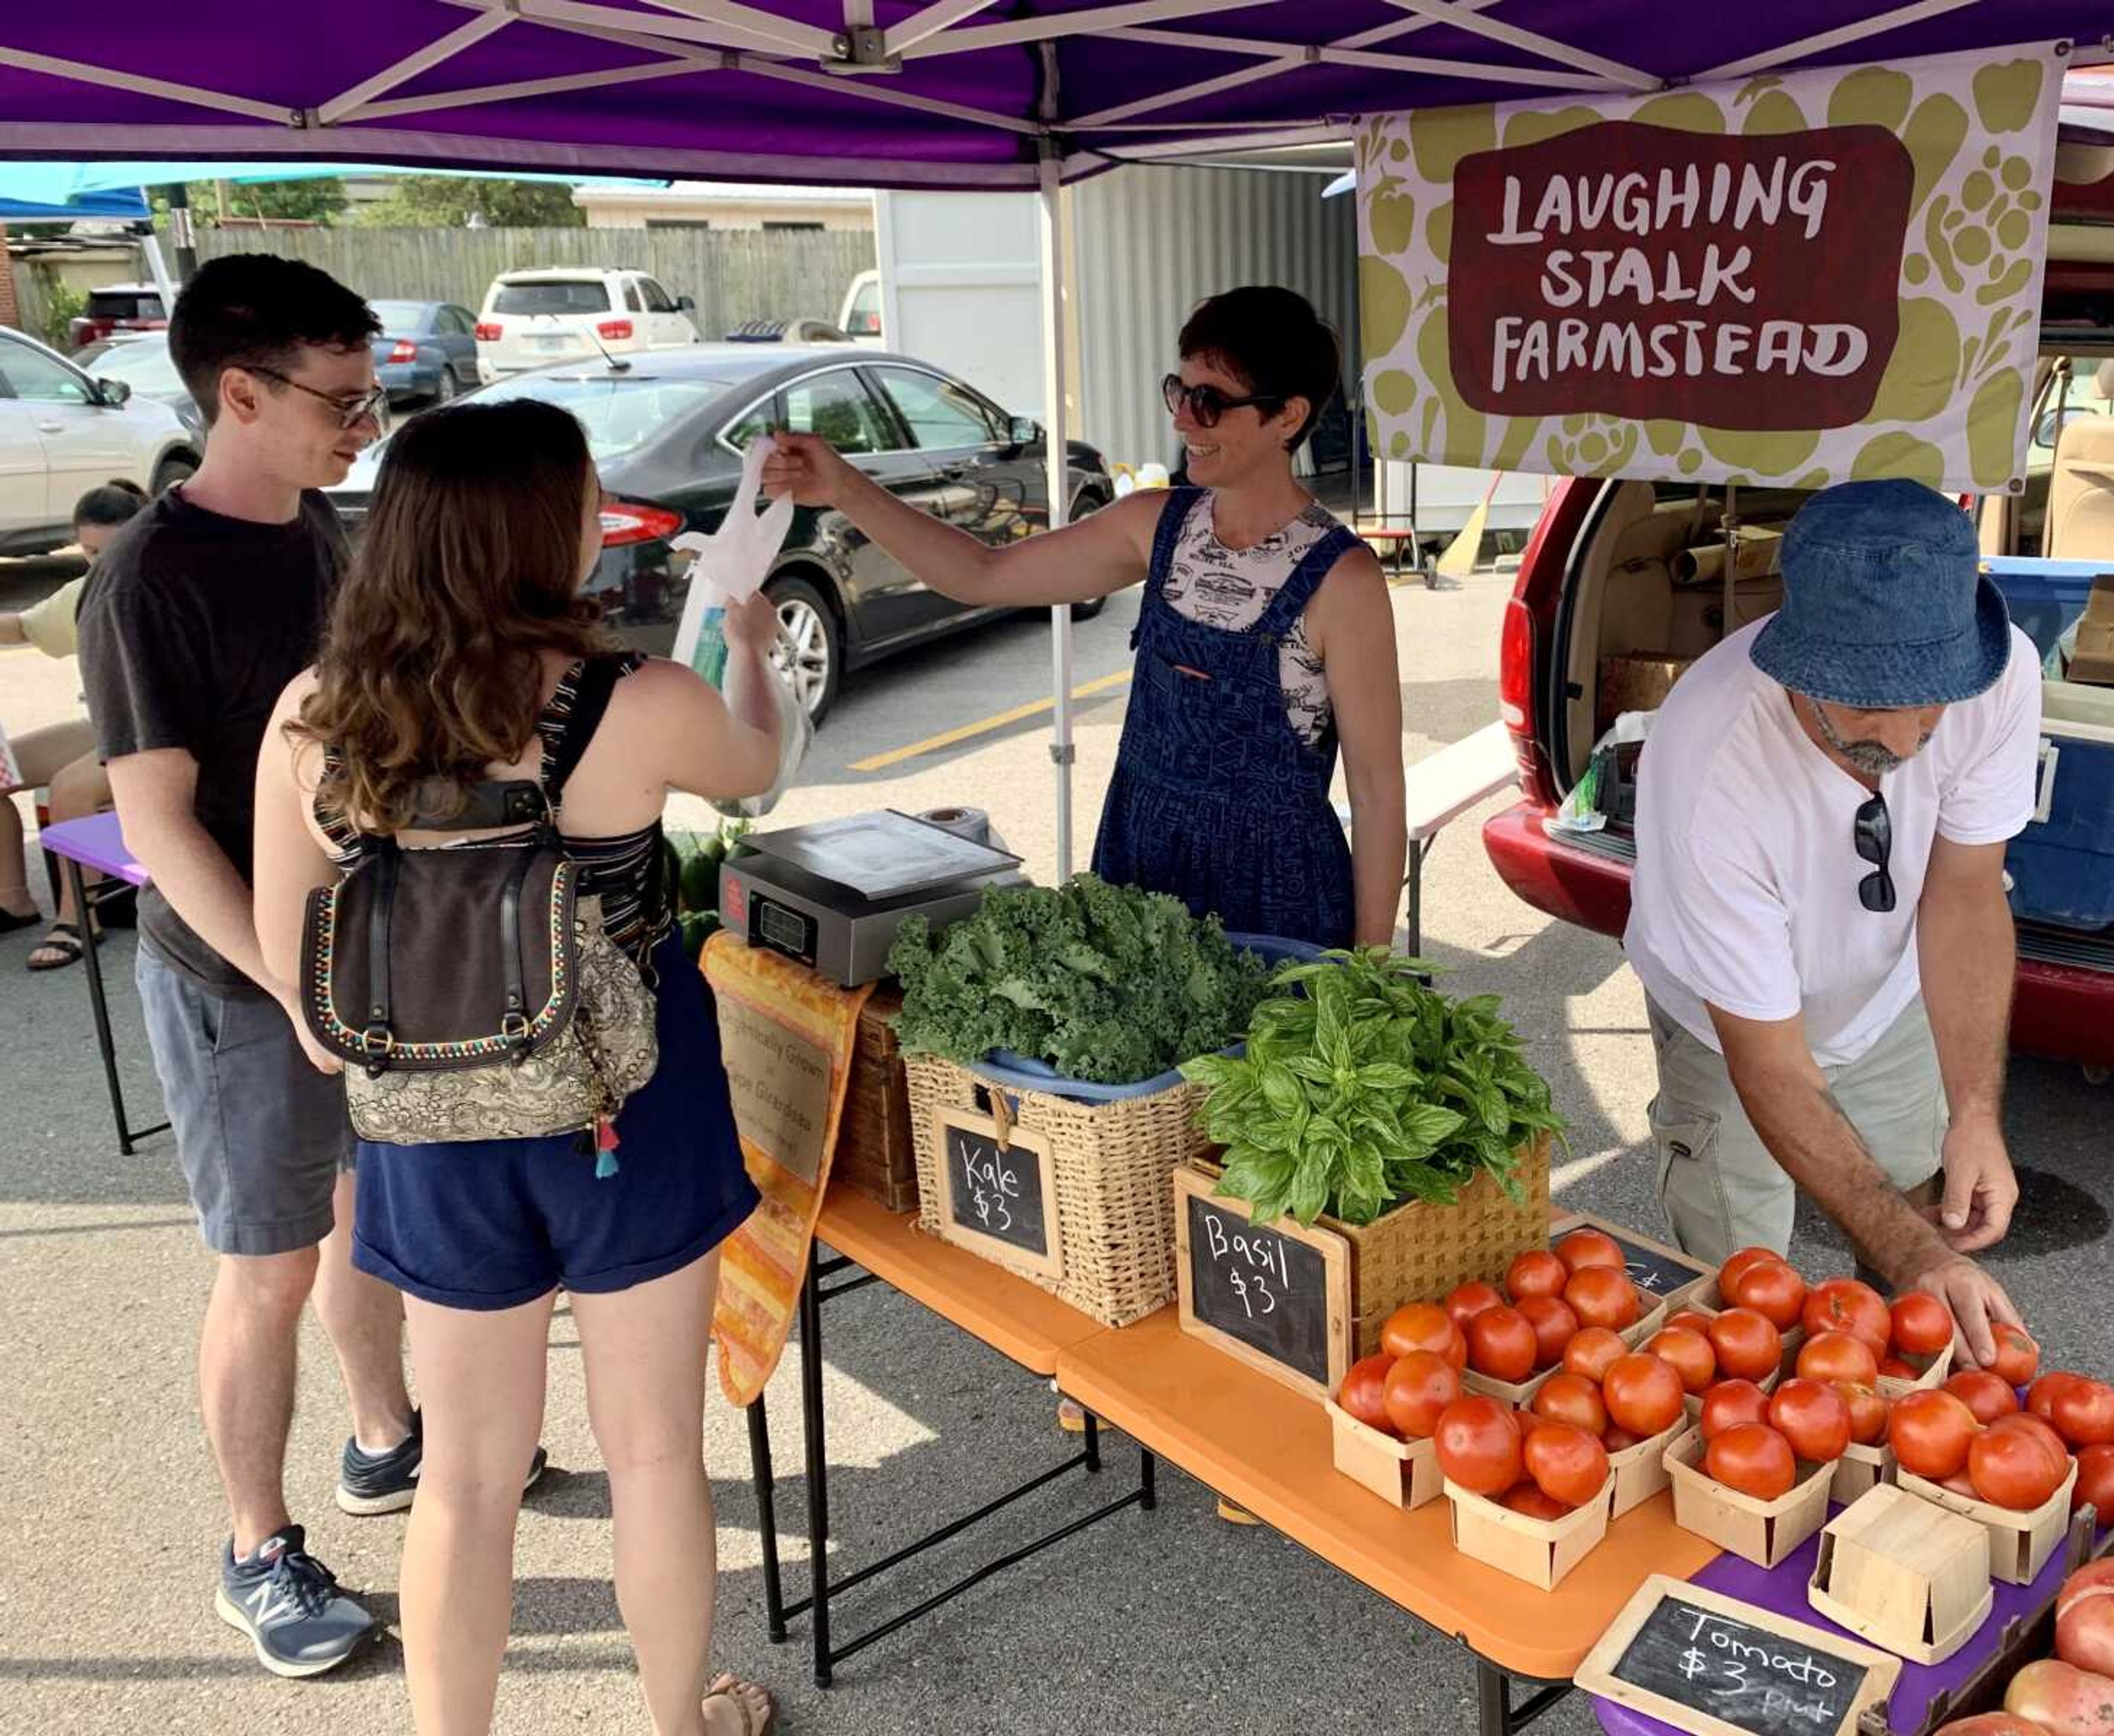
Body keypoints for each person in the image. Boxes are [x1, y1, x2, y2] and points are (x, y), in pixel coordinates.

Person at [251, 397, 778, 1736]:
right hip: (627, 1109)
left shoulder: (314, 722)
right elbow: (760, 771)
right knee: (654, 1450)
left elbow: (310, 1009)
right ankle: (680, 1721)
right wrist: (757, 648)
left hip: (430, 1133)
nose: (604, 518)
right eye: (590, 498)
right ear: (542, 531)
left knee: (467, 1478)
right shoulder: (635, 699)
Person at [74, 255, 418, 1678]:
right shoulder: (147, 578)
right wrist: (293, 979)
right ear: (240, 392)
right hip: (236, 979)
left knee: (365, 1218)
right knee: (267, 1262)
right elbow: (155, 822)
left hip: (353, 952)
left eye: (372, 392)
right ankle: (255, 1545)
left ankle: (388, 1436)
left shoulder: (327, 531)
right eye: (342, 398)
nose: (365, 422)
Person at [765, 284, 1408, 951]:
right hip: (1139, 871)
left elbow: (1376, 788)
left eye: (1210, 402)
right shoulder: (1154, 525)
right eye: (1178, 391)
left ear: (1287, 416)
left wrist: (1370, 972)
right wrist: (844, 487)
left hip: (1278, 898)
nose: (1184, 420)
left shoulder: (1342, 579)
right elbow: (979, 575)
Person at [1623, 479, 2039, 1367]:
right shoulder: (1712, 765)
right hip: (1725, 1025)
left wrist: (1976, 1112)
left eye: (1934, 700)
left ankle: (1899, 1425)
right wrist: (1913, 1253)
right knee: (1740, 1286)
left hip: (1888, 997)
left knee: (1924, 1215)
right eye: (1870, 707)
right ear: (1798, 666)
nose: (1907, 739)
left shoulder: (2002, 677)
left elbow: (1966, 891)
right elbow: (1768, 1062)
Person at [1, 479, 144, 969]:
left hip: (158, 735)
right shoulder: (84, 592)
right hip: (107, 728)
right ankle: (12, 900)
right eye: (90, 552)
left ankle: (78, 920)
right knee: (1, 767)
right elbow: (24, 626)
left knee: (70, 788)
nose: (101, 563)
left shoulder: (164, 584)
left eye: (113, 550)